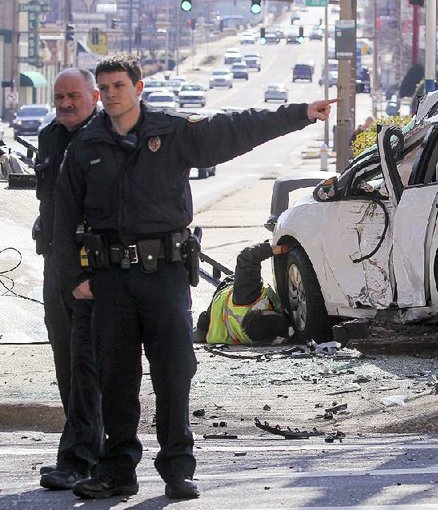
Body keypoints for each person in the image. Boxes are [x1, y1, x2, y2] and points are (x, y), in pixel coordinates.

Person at [52, 54, 335, 500]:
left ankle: (177, 468)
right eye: (103, 89)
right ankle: (117, 469)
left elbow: (235, 129)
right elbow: (62, 219)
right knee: (115, 377)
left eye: (118, 87)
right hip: (108, 280)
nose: (109, 96)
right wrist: (74, 279)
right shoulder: (85, 148)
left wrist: (298, 114)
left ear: (138, 88)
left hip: (162, 275)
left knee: (174, 372)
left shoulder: (171, 133)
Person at [34, 68, 103, 491]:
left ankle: (79, 458)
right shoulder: (50, 136)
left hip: (92, 269)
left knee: (86, 363)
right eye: (59, 97)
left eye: (73, 96)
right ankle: (85, 450)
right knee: (66, 360)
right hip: (56, 265)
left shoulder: (104, 138)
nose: (65, 104)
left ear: (94, 96)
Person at [195, 242, 293, 345]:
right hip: (217, 332)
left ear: (260, 311)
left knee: (200, 327)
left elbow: (247, 256)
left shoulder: (247, 294)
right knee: (200, 330)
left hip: (220, 301)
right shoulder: (263, 337)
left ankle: (200, 330)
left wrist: (278, 248)